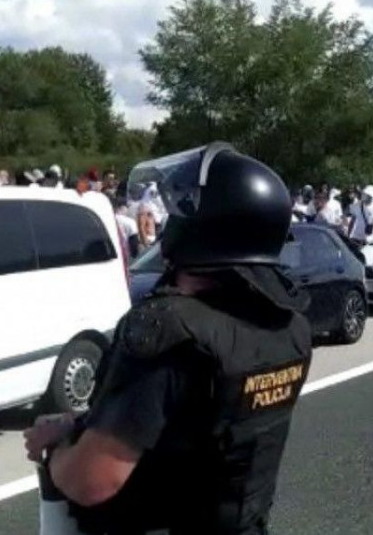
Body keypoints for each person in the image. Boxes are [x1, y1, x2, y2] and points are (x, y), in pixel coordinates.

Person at [24, 142, 312, 534]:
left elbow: (92, 481)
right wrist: (81, 424)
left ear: (200, 228)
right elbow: (200, 422)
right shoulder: (288, 327)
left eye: (181, 209)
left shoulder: (170, 330)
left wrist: (57, 448)